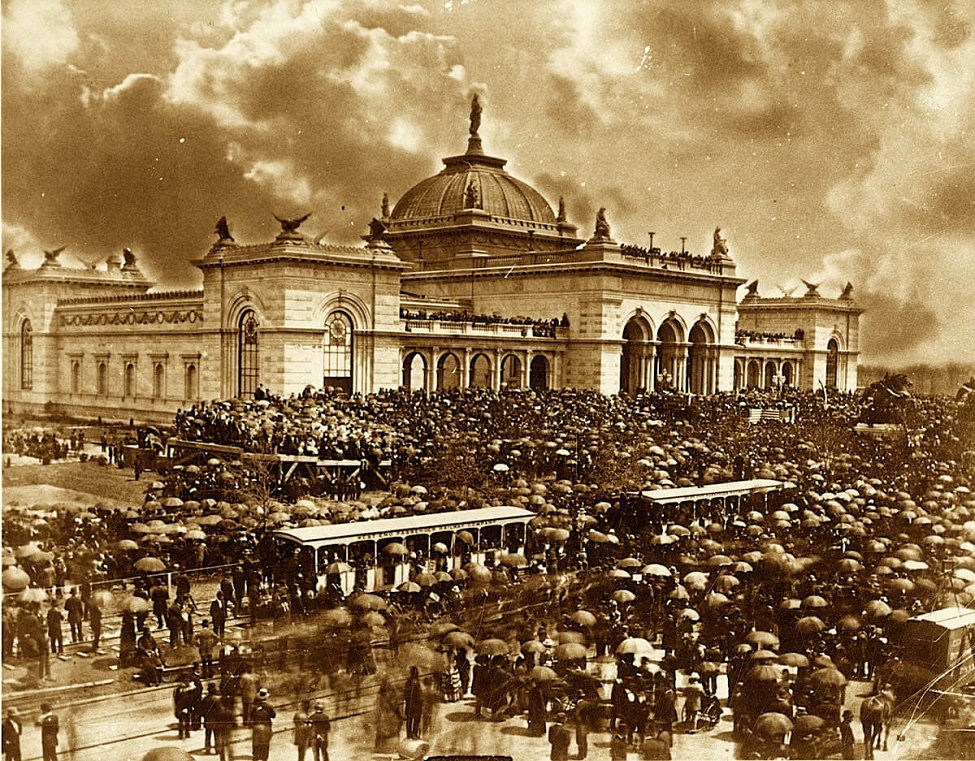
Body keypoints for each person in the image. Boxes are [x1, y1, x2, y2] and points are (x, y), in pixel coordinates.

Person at [250, 688, 276, 761]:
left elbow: (251, 716)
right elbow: (273, 716)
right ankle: (264, 757)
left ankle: (256, 756)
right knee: (265, 743)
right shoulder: (269, 706)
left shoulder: (254, 706)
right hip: (266, 726)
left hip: (256, 726)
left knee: (256, 743)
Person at [200, 682, 222, 755]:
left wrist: (205, 716)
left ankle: (207, 749)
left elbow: (201, 710)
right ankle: (218, 749)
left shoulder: (205, 699)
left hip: (208, 720)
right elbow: (220, 710)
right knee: (217, 735)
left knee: (208, 735)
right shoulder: (218, 699)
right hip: (216, 720)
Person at [404, 665, 423, 739]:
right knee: (415, 720)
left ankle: (410, 734)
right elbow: (419, 694)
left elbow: (405, 694)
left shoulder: (407, 682)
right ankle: (413, 733)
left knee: (410, 720)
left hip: (410, 704)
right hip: (415, 705)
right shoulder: (416, 682)